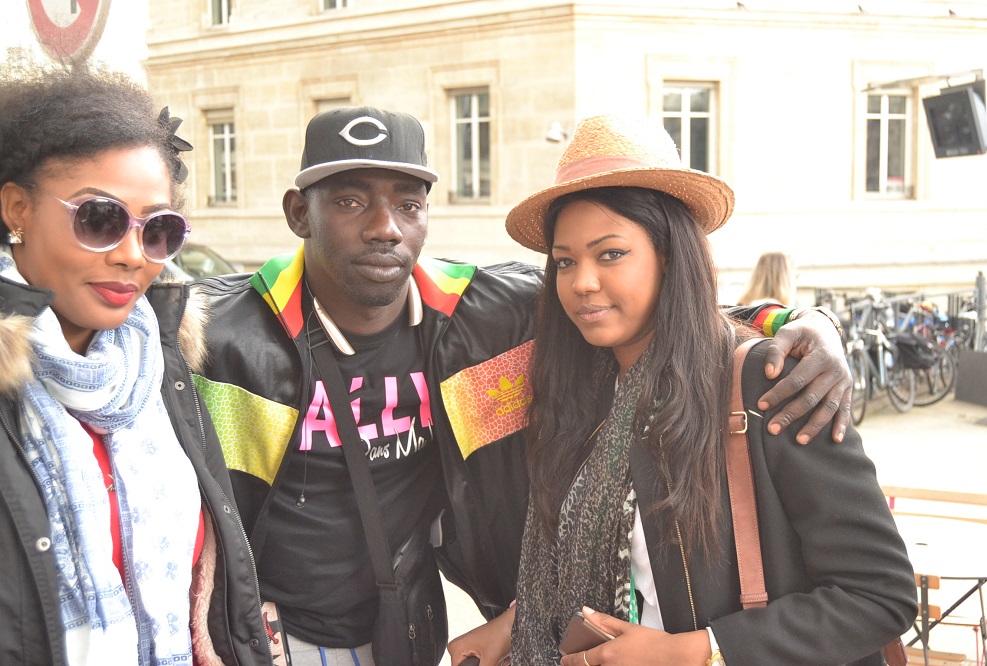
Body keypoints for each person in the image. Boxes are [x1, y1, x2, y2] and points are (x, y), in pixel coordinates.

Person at [188, 106, 853, 665]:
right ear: (299, 212)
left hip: (410, 624)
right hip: (280, 635)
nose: (384, 227)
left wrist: (803, 324)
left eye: (408, 203)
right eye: (351, 201)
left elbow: (658, 311)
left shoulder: (481, 315)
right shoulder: (225, 336)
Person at [448, 114, 916, 666]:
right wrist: (516, 621)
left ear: (669, 256)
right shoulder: (578, 392)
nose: (582, 282)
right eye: (565, 261)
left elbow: (881, 594)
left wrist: (699, 651)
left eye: (611, 253)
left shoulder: (766, 384)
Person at [0, 62, 271, 665]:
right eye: (99, 219)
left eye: (158, 231)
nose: (132, 256)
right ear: (17, 208)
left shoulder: (160, 365)